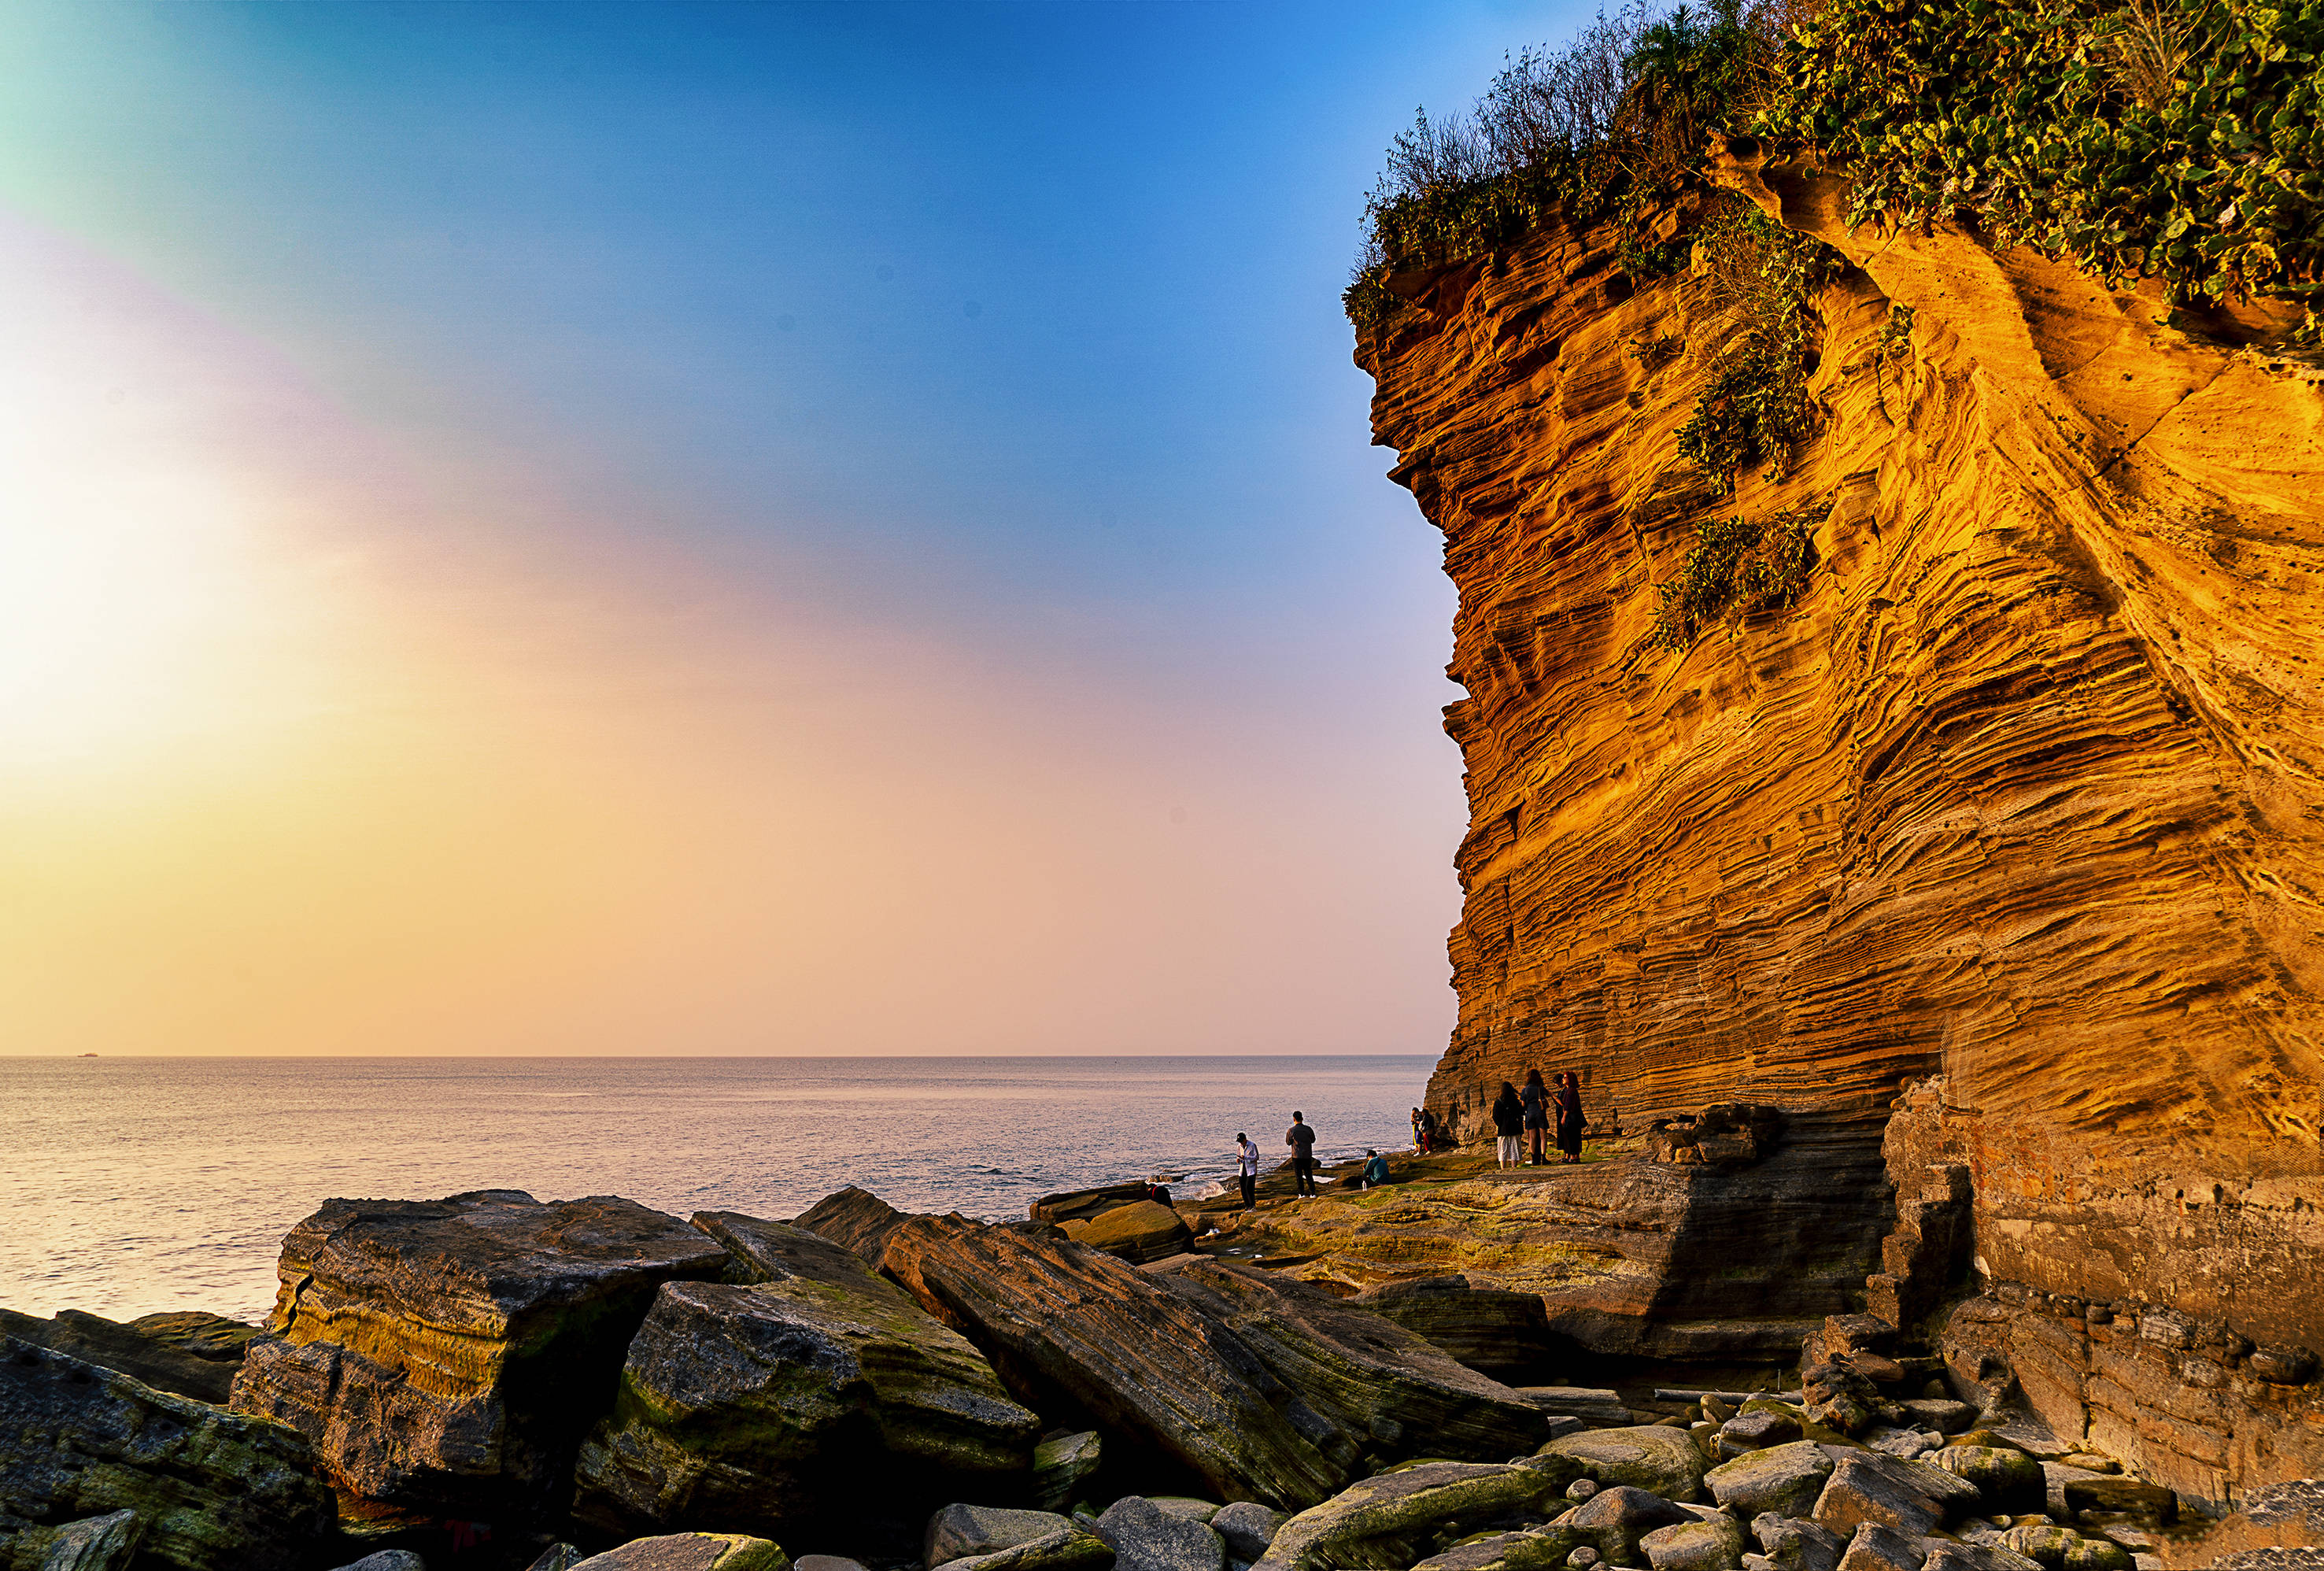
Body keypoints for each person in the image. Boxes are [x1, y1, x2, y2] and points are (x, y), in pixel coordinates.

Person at [1553, 1072, 1587, 1164]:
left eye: (1565, 1077)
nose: (1563, 1079)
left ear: (1570, 1079)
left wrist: (1563, 1117)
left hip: (1571, 1118)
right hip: (1574, 1117)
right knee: (1575, 1137)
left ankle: (1573, 1157)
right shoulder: (1570, 1090)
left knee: (1572, 1138)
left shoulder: (1570, 1091)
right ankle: (1575, 1157)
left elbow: (1567, 1106)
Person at [1520, 1069, 1550, 1166]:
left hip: (1530, 1114)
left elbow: (1523, 1104)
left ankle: (1534, 1158)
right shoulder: (1540, 1088)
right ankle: (1543, 1157)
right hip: (1540, 1113)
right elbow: (1548, 1094)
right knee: (1543, 1137)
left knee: (1531, 1138)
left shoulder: (1525, 1090)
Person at [1491, 1080, 1524, 1169]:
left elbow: (1495, 1116)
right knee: (1514, 1148)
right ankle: (1514, 1167)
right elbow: (1521, 1112)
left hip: (1503, 1129)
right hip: (1514, 1128)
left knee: (1503, 1149)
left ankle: (1503, 1168)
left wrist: (1500, 1124)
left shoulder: (1498, 1102)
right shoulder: (1515, 1101)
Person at [1285, 1111, 1318, 1196]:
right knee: (1309, 1175)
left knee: (1298, 1176)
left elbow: (1288, 1142)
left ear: (1294, 1119)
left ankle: (1301, 1194)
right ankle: (1313, 1193)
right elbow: (1313, 1140)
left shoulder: (1291, 1130)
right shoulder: (1308, 1129)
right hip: (1307, 1155)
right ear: (1302, 1119)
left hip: (1296, 1156)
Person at [1235, 1132, 1260, 1208]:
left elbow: (1256, 1157)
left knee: (1249, 1188)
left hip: (1251, 1170)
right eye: (1240, 1142)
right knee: (1243, 1188)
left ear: (1245, 1139)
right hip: (1243, 1169)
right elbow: (1239, 1157)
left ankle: (1252, 1205)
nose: (1241, 1143)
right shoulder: (1239, 1146)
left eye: (1242, 1141)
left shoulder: (1252, 1145)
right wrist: (1239, 1160)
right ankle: (1247, 1205)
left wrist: (1246, 1158)